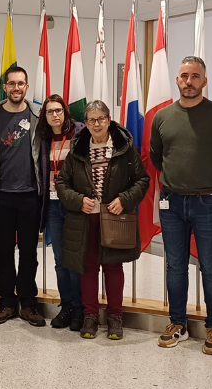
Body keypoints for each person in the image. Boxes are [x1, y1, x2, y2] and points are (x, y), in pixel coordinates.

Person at [150, 56, 212, 355]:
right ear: (177, 80)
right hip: (171, 202)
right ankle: (177, 322)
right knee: (175, 266)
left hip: (209, 202)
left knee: (211, 267)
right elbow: (157, 157)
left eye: (195, 76)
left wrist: (211, 178)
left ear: (205, 81)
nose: (188, 81)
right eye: (184, 76)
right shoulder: (162, 117)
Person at [56, 101, 150, 340]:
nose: (96, 124)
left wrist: (125, 199)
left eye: (101, 119)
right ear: (85, 123)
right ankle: (90, 315)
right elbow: (62, 183)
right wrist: (78, 201)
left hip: (115, 218)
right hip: (85, 219)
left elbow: (142, 179)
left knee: (113, 267)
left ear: (109, 120)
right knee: (87, 268)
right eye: (91, 120)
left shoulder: (124, 147)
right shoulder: (78, 149)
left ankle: (115, 316)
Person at [0, 66, 45, 327]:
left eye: (21, 83)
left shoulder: (39, 115)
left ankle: (28, 303)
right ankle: (7, 303)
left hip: (30, 196)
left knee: (29, 253)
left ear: (27, 87)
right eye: (11, 84)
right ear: (4, 87)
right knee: (3, 254)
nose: (16, 88)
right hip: (2, 197)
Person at [36, 94, 85, 331]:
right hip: (53, 206)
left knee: (75, 258)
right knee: (59, 260)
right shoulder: (44, 139)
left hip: (74, 205)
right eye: (49, 111)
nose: (54, 115)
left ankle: (79, 308)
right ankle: (66, 306)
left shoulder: (79, 134)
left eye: (58, 110)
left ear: (65, 112)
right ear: (44, 116)